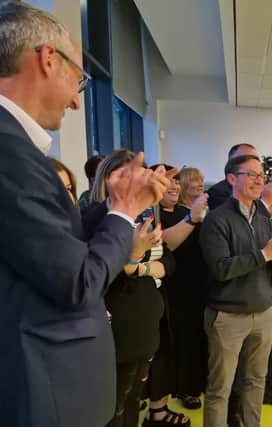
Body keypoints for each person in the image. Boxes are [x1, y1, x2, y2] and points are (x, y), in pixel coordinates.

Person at [0, 3, 175, 426]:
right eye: (79, 80)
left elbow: (52, 240)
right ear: (47, 59)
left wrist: (110, 204)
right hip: (47, 390)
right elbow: (78, 281)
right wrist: (124, 210)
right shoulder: (11, 153)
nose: (78, 104)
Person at [199, 154, 272, 427]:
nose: (260, 180)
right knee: (220, 390)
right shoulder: (216, 220)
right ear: (232, 178)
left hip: (263, 313)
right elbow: (221, 269)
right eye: (252, 174)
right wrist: (266, 253)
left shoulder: (264, 219)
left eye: (262, 175)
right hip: (228, 317)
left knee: (256, 383)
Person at [85, 150, 182, 427]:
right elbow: (102, 273)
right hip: (118, 329)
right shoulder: (97, 217)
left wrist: (140, 267)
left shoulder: (143, 216)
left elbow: (169, 263)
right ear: (111, 179)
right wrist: (133, 260)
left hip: (145, 325)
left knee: (132, 406)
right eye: (132, 177)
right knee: (112, 412)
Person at [157, 167, 209, 410]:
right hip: (173, 290)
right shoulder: (157, 216)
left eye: (177, 182)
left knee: (197, 336)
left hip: (197, 286)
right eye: (170, 183)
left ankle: (196, 384)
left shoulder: (183, 211)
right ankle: (184, 388)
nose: (175, 187)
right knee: (181, 341)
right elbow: (165, 245)